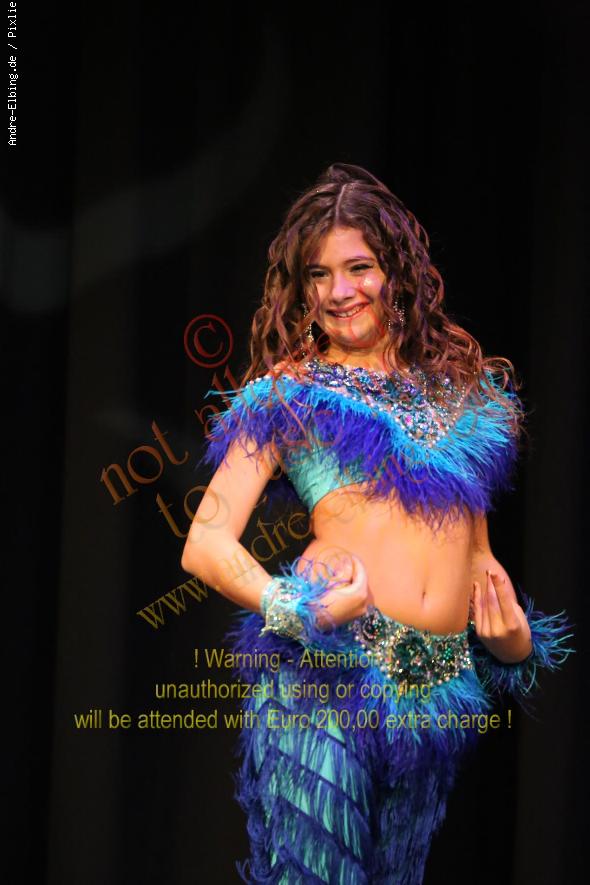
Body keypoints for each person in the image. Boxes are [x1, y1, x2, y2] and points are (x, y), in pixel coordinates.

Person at [180, 163, 574, 885]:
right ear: (301, 290)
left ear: (397, 270)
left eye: (358, 267)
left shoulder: (464, 398)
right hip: (326, 684)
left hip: (432, 706)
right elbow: (204, 542)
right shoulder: (287, 395)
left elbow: (478, 562)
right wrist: (292, 606)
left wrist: (513, 643)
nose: (339, 291)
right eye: (319, 275)